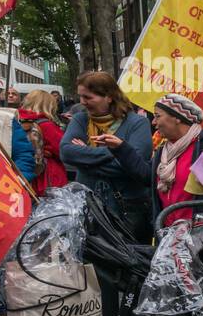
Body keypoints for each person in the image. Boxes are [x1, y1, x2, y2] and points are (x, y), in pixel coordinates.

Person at [59, 70, 153, 242]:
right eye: (81, 96)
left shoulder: (138, 123)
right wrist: (117, 151)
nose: (82, 102)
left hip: (128, 209)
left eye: (88, 97)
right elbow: (66, 152)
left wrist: (85, 159)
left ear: (109, 97)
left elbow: (135, 164)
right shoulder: (80, 120)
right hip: (88, 206)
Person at [104, 93, 203, 229]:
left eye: (158, 116)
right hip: (168, 232)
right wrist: (121, 148)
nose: (153, 122)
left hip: (199, 234)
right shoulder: (164, 150)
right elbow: (147, 176)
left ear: (177, 117)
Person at [18, 89, 69, 195]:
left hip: (24, 173)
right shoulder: (46, 125)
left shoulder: (17, 121)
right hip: (47, 176)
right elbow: (63, 150)